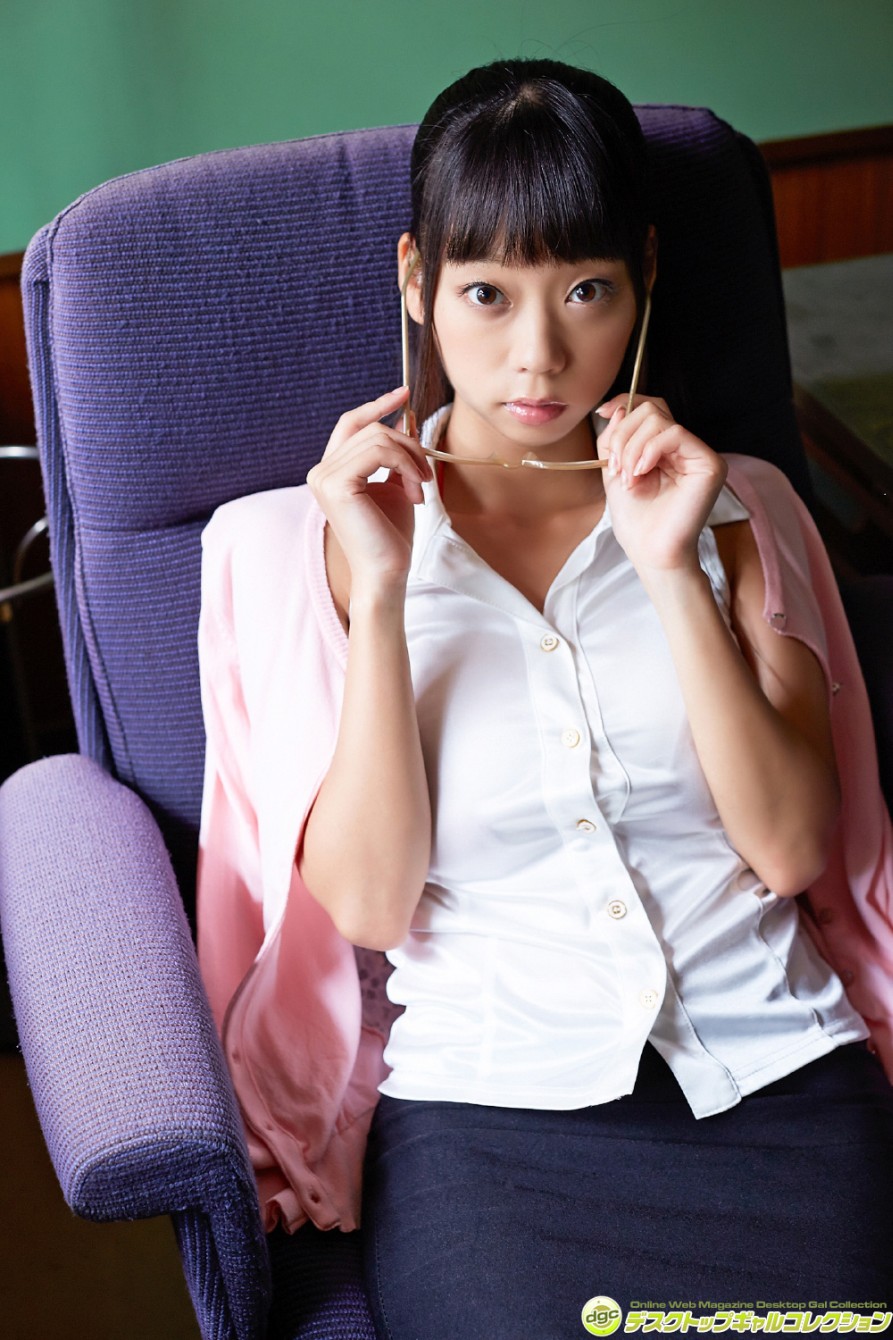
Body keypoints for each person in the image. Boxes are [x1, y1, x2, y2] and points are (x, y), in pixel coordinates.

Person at [196, 59, 893, 1338]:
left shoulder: (738, 505)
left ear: (641, 276)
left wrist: (668, 569)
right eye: (486, 292)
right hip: (489, 1113)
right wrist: (386, 592)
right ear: (415, 278)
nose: (537, 355)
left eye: (584, 290)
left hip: (775, 1071)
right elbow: (368, 902)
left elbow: (794, 848)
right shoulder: (292, 548)